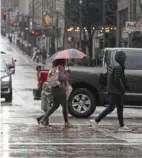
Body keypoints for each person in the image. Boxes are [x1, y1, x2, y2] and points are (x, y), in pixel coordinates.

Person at [90, 50, 132, 132]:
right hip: (115, 91)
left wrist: (125, 85)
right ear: (121, 58)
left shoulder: (114, 65)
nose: (124, 59)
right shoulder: (118, 67)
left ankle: (122, 126)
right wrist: (122, 88)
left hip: (112, 89)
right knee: (111, 108)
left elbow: (119, 77)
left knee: (119, 107)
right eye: (123, 58)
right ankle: (95, 121)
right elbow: (116, 80)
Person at [39, 59, 72, 128]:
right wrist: (68, 74)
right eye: (65, 60)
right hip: (60, 89)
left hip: (54, 89)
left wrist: (65, 72)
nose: (65, 61)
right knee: (65, 106)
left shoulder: (54, 68)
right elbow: (61, 77)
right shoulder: (61, 67)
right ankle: (66, 122)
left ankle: (42, 119)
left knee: (55, 106)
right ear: (62, 61)